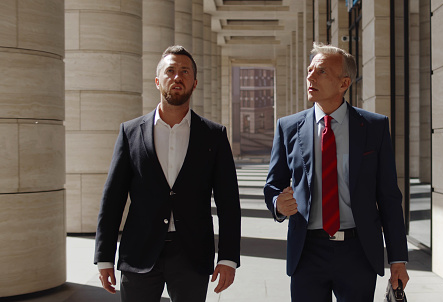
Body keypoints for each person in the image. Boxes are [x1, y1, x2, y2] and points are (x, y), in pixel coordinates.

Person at [264, 42, 409, 301]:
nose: (310, 76)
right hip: (306, 251)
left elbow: (389, 196)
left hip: (358, 251)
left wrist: (398, 258)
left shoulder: (374, 127)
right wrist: (277, 204)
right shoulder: (288, 127)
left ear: (344, 83)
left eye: (320, 71)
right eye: (309, 70)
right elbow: (273, 185)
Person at [94, 45, 241, 302]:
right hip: (139, 252)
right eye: (170, 70)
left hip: (192, 254)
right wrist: (104, 256)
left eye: (185, 71)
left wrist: (228, 257)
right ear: (157, 81)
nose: (177, 77)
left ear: (194, 83)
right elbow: (113, 198)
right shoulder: (130, 133)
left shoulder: (213, 135)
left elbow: (228, 201)